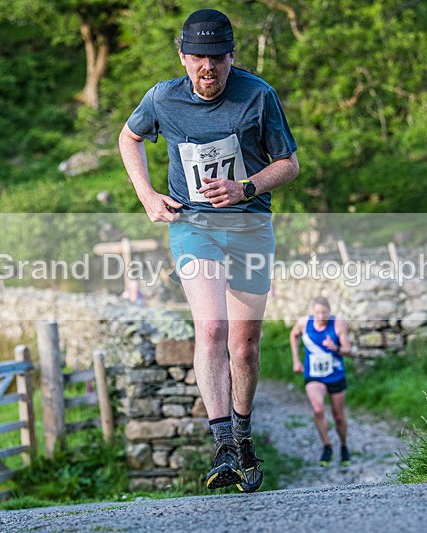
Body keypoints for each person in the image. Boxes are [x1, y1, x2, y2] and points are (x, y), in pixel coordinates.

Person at [119, 9, 299, 493]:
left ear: (231, 57)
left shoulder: (258, 95)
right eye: (198, 58)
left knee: (244, 344)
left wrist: (246, 187)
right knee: (212, 327)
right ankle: (221, 443)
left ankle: (243, 437)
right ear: (183, 56)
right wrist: (148, 196)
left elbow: (289, 164)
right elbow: (129, 137)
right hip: (193, 227)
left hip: (249, 227)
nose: (208, 69)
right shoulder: (163, 98)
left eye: (217, 59)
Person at [290, 296, 354, 465]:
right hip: (314, 374)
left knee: (338, 416)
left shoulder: (338, 323)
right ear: (313, 312)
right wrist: (296, 360)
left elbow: (348, 350)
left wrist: (336, 348)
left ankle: (344, 446)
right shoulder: (304, 323)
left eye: (324, 312)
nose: (320, 316)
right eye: (317, 312)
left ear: (329, 312)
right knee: (318, 409)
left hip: (335, 374)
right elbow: (294, 335)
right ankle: (327, 446)